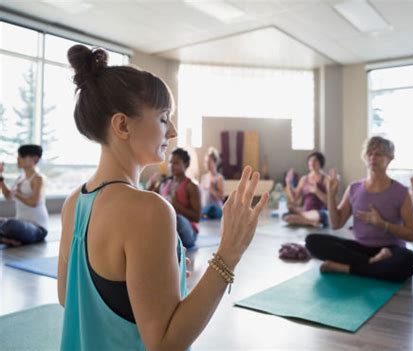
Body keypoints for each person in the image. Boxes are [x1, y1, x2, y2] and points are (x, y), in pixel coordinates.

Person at [58, 44, 268, 351]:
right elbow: (166, 344)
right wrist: (229, 252)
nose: (171, 132)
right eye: (163, 118)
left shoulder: (74, 201)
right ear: (122, 125)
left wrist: (143, 282)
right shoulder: (148, 210)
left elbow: (68, 296)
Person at [305, 136, 413, 282]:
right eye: (369, 154)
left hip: (391, 250)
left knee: (410, 260)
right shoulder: (354, 188)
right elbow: (336, 224)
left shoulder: (401, 192)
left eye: (378, 154)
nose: (372, 158)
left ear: (389, 158)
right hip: (360, 248)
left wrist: (382, 224)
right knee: (312, 241)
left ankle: (345, 268)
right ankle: (372, 264)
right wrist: (331, 197)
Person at [0, 145, 48, 246]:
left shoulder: (38, 179)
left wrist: (16, 193)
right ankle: (8, 240)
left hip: (37, 228)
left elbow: (34, 202)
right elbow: (8, 196)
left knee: (10, 224)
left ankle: (5, 237)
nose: (18, 159)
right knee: (9, 224)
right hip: (21, 223)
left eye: (21, 156)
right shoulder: (20, 178)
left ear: (34, 158)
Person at [159, 148, 201, 248]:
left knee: (177, 219)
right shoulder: (165, 184)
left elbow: (197, 217)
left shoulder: (191, 186)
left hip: (187, 231)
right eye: (170, 162)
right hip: (167, 229)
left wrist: (177, 206)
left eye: (176, 163)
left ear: (186, 165)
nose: (171, 166)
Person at [283, 151, 328, 227]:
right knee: (286, 217)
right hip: (305, 211)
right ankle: (311, 222)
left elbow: (329, 201)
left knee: (292, 217)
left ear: (320, 163)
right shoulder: (304, 179)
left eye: (315, 160)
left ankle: (305, 219)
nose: (312, 163)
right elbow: (294, 199)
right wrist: (288, 183)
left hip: (319, 212)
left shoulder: (326, 179)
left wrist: (317, 191)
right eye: (310, 160)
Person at [200, 147, 224, 219]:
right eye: (206, 162)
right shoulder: (203, 177)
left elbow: (221, 197)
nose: (207, 164)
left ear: (215, 162)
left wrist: (212, 190)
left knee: (211, 208)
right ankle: (203, 214)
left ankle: (204, 214)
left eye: (209, 162)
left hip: (215, 209)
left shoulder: (219, 178)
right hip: (205, 208)